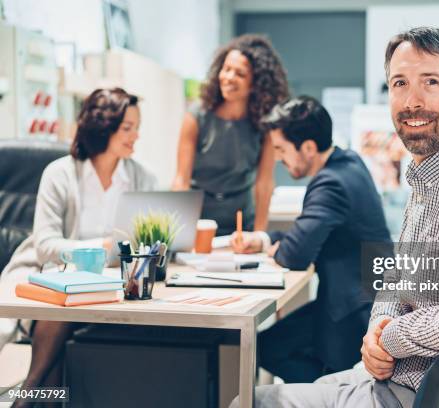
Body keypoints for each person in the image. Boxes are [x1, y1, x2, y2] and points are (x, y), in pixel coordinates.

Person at [231, 27, 439, 408]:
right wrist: (375, 334)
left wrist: (392, 336)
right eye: (399, 83)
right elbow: (397, 280)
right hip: (397, 378)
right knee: (254, 396)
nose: (411, 100)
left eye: (430, 82)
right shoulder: (429, 179)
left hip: (435, 395)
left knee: (248, 402)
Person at [0, 88, 156, 407]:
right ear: (103, 127)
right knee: (63, 304)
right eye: (127, 128)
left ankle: (28, 395)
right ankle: (30, 395)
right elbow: (44, 246)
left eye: (137, 127)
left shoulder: (143, 178)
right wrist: (100, 247)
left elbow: (147, 242)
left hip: (115, 286)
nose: (135, 136)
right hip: (48, 277)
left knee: (62, 331)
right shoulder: (60, 174)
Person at [230, 96, 391, 383]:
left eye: (281, 149)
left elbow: (295, 255)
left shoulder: (330, 183)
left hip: (352, 312)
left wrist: (282, 246)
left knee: (267, 348)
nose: (278, 158)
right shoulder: (349, 161)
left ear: (307, 147)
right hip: (364, 298)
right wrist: (266, 241)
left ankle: (326, 391)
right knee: (272, 345)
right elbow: (305, 237)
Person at [172, 34, 289, 235]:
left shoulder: (265, 124)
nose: (228, 78)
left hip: (242, 222)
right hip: (198, 222)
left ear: (255, 84)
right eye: (226, 69)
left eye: (240, 74)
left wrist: (259, 235)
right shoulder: (196, 116)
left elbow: (264, 183)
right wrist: (178, 234)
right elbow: (181, 181)